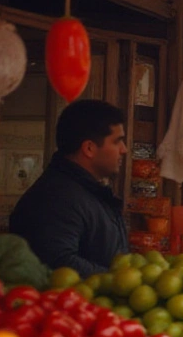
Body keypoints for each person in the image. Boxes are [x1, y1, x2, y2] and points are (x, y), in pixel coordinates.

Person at [10, 100, 129, 276]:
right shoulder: (54, 198)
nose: (124, 150)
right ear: (89, 148)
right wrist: (117, 281)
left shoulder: (88, 192)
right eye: (117, 141)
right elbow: (58, 261)